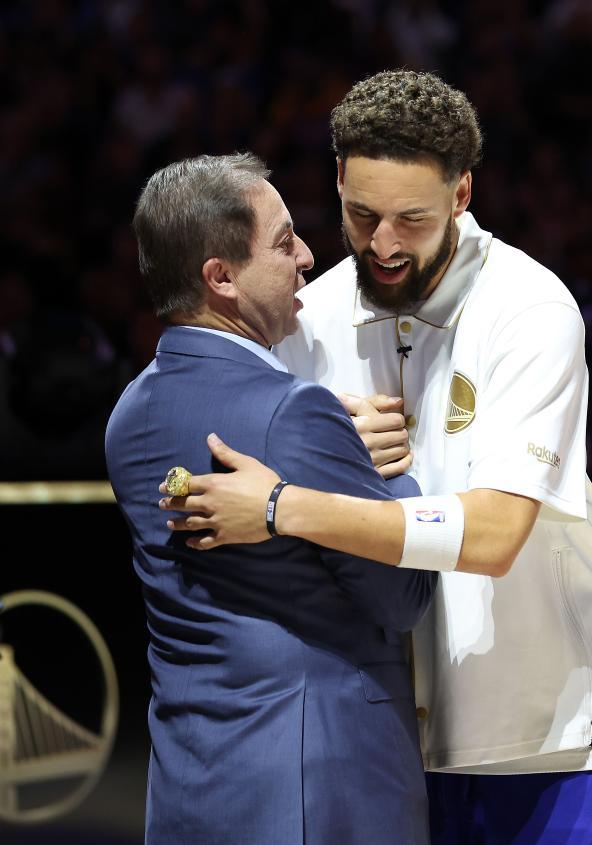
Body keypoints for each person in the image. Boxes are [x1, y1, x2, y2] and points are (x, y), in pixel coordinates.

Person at [158, 71, 592, 844]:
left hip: (537, 739)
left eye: (412, 219)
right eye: (362, 213)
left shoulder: (531, 309)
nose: (383, 244)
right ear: (337, 179)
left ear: (462, 194)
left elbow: (493, 535)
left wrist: (286, 503)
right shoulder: (305, 319)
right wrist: (322, 437)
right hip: (375, 745)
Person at [106, 153, 435, 844]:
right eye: (284, 242)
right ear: (219, 277)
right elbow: (401, 595)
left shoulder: (128, 417)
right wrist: (389, 463)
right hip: (320, 784)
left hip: (191, 781)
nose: (308, 256)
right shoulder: (296, 413)